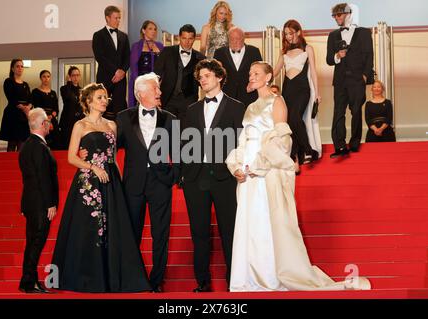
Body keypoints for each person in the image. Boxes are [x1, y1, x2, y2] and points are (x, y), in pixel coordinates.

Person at [226, 61, 371, 291]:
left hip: (266, 171)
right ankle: (248, 279)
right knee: (249, 223)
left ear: (268, 78)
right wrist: (236, 165)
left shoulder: (277, 102)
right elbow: (244, 140)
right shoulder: (249, 107)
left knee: (266, 222)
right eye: (250, 73)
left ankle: (270, 278)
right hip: (247, 173)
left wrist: (259, 164)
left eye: (256, 73)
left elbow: (283, 141)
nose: (251, 76)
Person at [52, 83, 151, 292]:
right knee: (88, 229)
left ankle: (112, 278)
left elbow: (113, 159)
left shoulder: (112, 125)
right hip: (88, 183)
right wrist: (92, 167)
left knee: (113, 229)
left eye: (105, 97)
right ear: (88, 101)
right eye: (99, 97)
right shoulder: (80, 125)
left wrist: (120, 185)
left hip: (111, 181)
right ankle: (88, 278)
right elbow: (71, 157)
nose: (104, 101)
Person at [181, 59, 244, 292]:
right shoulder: (192, 109)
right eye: (200, 77)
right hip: (196, 179)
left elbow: (241, 142)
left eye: (207, 75)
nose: (202, 80)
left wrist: (239, 167)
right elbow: (184, 143)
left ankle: (233, 281)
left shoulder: (237, 107)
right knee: (199, 233)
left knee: (230, 232)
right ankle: (203, 283)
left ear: (219, 77)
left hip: (225, 178)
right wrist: (184, 174)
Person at [116, 73, 179, 292]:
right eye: (155, 89)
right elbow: (111, 148)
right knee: (132, 232)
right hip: (133, 184)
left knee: (160, 233)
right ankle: (133, 278)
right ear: (141, 93)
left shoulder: (170, 118)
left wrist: (173, 176)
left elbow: (178, 152)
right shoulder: (123, 118)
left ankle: (157, 280)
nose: (160, 93)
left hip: (160, 183)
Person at [273, 19, 322, 173]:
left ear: (299, 32)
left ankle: (308, 150)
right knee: (289, 122)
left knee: (295, 117)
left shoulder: (308, 49)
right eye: (286, 34)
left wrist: (317, 92)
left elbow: (313, 71)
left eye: (291, 33)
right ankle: (295, 158)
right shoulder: (284, 52)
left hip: (302, 89)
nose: (288, 36)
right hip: (288, 90)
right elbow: (274, 72)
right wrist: (259, 76)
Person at [18, 108, 58, 293]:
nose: (50, 124)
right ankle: (28, 282)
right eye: (48, 121)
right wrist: (50, 203)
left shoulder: (26, 145)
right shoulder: (40, 147)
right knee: (36, 243)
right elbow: (43, 178)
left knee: (32, 242)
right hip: (41, 205)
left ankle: (29, 281)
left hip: (31, 203)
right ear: (43, 124)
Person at [327, 3, 374, 158]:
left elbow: (369, 57)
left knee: (356, 111)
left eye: (338, 15)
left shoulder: (364, 33)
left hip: (357, 80)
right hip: (340, 80)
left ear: (348, 14)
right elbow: (329, 60)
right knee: (338, 112)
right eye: (334, 16)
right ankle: (339, 146)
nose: (336, 18)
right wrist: (337, 56)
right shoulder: (332, 35)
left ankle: (354, 143)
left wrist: (365, 76)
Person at [154, 24, 205, 124]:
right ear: (179, 37)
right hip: (168, 98)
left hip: (189, 101)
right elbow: (156, 74)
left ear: (194, 39)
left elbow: (203, 81)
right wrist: (156, 96)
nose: (187, 42)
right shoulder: (167, 52)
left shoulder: (201, 57)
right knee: (167, 131)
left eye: (190, 38)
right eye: (184, 38)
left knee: (185, 133)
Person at [92, 5, 130, 120]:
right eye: (116, 18)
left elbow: (127, 57)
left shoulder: (124, 36)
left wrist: (122, 71)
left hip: (121, 79)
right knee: (101, 107)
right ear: (107, 18)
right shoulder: (98, 35)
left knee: (121, 108)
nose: (118, 20)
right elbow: (100, 56)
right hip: (105, 78)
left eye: (119, 18)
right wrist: (116, 71)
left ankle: (121, 135)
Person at [213, 26, 262, 108]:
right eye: (232, 39)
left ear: (244, 38)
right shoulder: (219, 53)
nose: (235, 41)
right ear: (228, 39)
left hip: (249, 96)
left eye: (238, 38)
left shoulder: (254, 51)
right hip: (226, 96)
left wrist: (253, 83)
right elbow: (215, 75)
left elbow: (260, 72)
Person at [129, 20, 164, 108]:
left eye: (155, 29)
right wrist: (139, 86)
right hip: (142, 85)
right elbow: (134, 68)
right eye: (150, 29)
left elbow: (164, 66)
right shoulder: (136, 46)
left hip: (158, 83)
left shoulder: (160, 46)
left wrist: (161, 81)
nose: (153, 31)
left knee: (160, 109)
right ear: (144, 31)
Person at [0, 59, 32, 152]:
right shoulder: (8, 81)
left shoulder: (26, 84)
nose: (20, 68)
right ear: (12, 69)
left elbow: (30, 99)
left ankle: (20, 166)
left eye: (22, 66)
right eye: (17, 66)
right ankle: (9, 166)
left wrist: (28, 107)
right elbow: (11, 97)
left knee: (22, 145)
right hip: (12, 115)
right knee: (12, 144)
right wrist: (23, 107)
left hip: (24, 117)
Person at [32, 70, 60, 149]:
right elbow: (37, 107)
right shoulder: (35, 92)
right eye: (44, 76)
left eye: (48, 76)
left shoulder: (53, 93)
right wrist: (46, 118)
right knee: (42, 143)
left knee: (55, 143)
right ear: (40, 78)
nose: (46, 79)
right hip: (41, 121)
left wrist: (51, 117)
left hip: (52, 120)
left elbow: (56, 109)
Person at [59, 66, 83, 150]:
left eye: (77, 75)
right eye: (73, 75)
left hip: (79, 121)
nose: (76, 77)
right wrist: (69, 83)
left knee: (78, 145)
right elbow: (68, 97)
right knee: (66, 145)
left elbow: (83, 105)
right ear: (69, 76)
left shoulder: (82, 90)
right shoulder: (64, 88)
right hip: (67, 121)